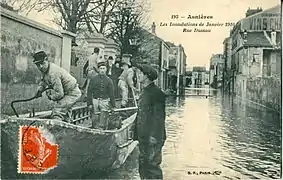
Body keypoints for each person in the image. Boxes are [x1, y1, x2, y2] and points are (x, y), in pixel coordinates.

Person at [134, 64, 166, 179]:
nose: (137, 75)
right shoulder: (145, 92)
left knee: (152, 167)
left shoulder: (156, 93)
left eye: (139, 73)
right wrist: (135, 133)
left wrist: (154, 136)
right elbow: (141, 114)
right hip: (144, 136)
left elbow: (159, 117)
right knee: (143, 165)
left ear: (146, 76)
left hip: (153, 137)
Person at [33, 51, 82, 122]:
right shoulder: (46, 69)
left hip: (72, 93)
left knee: (57, 111)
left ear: (46, 60)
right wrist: (40, 90)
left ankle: (56, 129)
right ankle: (66, 129)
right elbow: (43, 81)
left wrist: (51, 97)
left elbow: (60, 94)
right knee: (65, 115)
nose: (40, 67)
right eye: (38, 65)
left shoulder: (53, 73)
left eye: (42, 63)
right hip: (67, 93)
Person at [86, 61, 115, 130]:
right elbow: (89, 92)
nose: (102, 70)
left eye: (103, 68)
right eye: (101, 68)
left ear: (106, 69)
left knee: (103, 119)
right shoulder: (93, 80)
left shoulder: (109, 81)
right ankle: (95, 130)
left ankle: (103, 130)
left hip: (105, 101)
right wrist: (89, 103)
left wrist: (113, 106)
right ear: (98, 70)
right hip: (95, 101)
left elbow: (111, 94)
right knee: (95, 118)